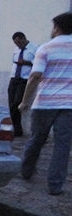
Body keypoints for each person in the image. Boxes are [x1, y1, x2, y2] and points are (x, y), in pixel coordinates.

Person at [17, 12, 72, 196]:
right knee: (63, 145)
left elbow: (34, 76)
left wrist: (25, 101)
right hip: (69, 105)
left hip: (45, 104)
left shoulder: (45, 48)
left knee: (37, 139)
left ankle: (26, 170)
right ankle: (55, 185)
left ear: (57, 27)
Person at [8, 32, 38, 137]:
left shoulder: (34, 48)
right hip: (14, 78)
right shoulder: (16, 49)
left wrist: (25, 62)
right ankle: (17, 130)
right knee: (11, 103)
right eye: (16, 43)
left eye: (19, 42)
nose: (18, 45)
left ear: (24, 38)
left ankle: (15, 129)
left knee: (16, 103)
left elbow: (37, 64)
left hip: (24, 79)